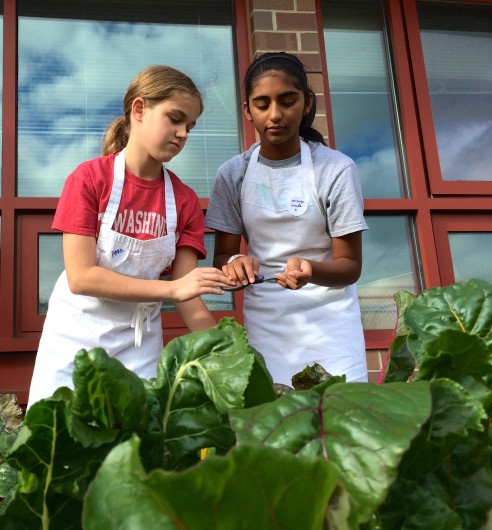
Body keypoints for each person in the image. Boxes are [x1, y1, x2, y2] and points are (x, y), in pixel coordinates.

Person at [28, 65, 234, 408]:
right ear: (139, 110)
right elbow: (81, 277)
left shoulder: (183, 201)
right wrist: (170, 289)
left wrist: (227, 355)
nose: (183, 133)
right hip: (74, 341)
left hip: (138, 349)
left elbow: (187, 295)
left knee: (133, 452)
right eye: (175, 118)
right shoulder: (90, 179)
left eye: (190, 126)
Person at [205, 52, 368, 386]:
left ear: (307, 104)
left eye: (287, 101)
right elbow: (222, 256)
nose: (275, 115)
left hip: (332, 328)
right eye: (262, 104)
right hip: (266, 327)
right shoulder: (232, 174)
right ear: (247, 110)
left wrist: (311, 270)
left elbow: (350, 265)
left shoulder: (336, 170)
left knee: (339, 428)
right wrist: (235, 262)